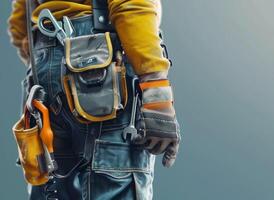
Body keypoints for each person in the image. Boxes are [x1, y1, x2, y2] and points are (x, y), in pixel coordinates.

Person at [8, 0, 181, 199]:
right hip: (102, 62)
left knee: (52, 186)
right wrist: (155, 88)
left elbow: (19, 25)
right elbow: (131, 4)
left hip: (45, 63)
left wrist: (50, 60)